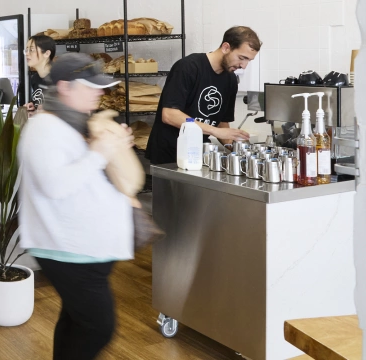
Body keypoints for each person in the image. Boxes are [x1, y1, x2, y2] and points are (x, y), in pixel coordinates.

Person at [18, 53, 135, 360]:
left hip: (81, 248)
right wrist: (99, 152)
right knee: (98, 327)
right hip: (67, 249)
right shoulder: (43, 128)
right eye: (92, 86)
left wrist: (112, 150)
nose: (101, 92)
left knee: (76, 321)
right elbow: (55, 185)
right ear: (65, 87)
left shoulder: (72, 123)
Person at [145, 26, 261, 165]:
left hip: (198, 154)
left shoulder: (230, 81)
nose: (244, 65)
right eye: (242, 58)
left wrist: (237, 148)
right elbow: (170, 115)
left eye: (249, 60)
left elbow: (221, 122)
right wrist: (215, 131)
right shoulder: (188, 67)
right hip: (169, 155)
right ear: (226, 47)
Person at [24, 34, 56, 113]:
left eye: (31, 50)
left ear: (47, 53)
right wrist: (32, 105)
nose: (27, 54)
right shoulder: (35, 78)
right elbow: (38, 102)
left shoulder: (59, 77)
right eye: (26, 50)